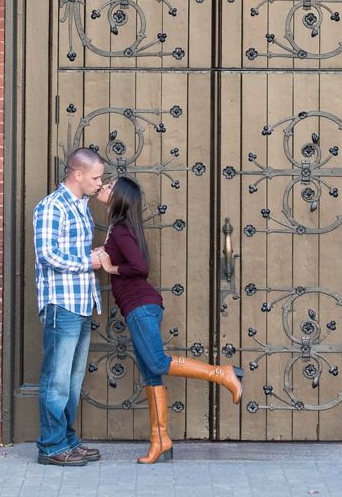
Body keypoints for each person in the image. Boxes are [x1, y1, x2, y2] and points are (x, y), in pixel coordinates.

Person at [97, 173, 242, 464]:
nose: (103, 187)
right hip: (138, 308)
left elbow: (140, 267)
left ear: (119, 196)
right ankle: (160, 440)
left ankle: (222, 374)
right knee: (151, 373)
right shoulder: (118, 228)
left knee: (157, 363)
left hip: (141, 306)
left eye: (109, 185)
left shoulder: (122, 229)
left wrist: (111, 269)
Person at [32, 145, 110, 468]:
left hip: (81, 302)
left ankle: (66, 439)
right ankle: (51, 446)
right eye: (96, 177)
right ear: (77, 174)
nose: (100, 183)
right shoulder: (52, 208)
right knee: (57, 378)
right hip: (60, 304)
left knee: (74, 378)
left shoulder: (81, 205)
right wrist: (88, 261)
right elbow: (47, 254)